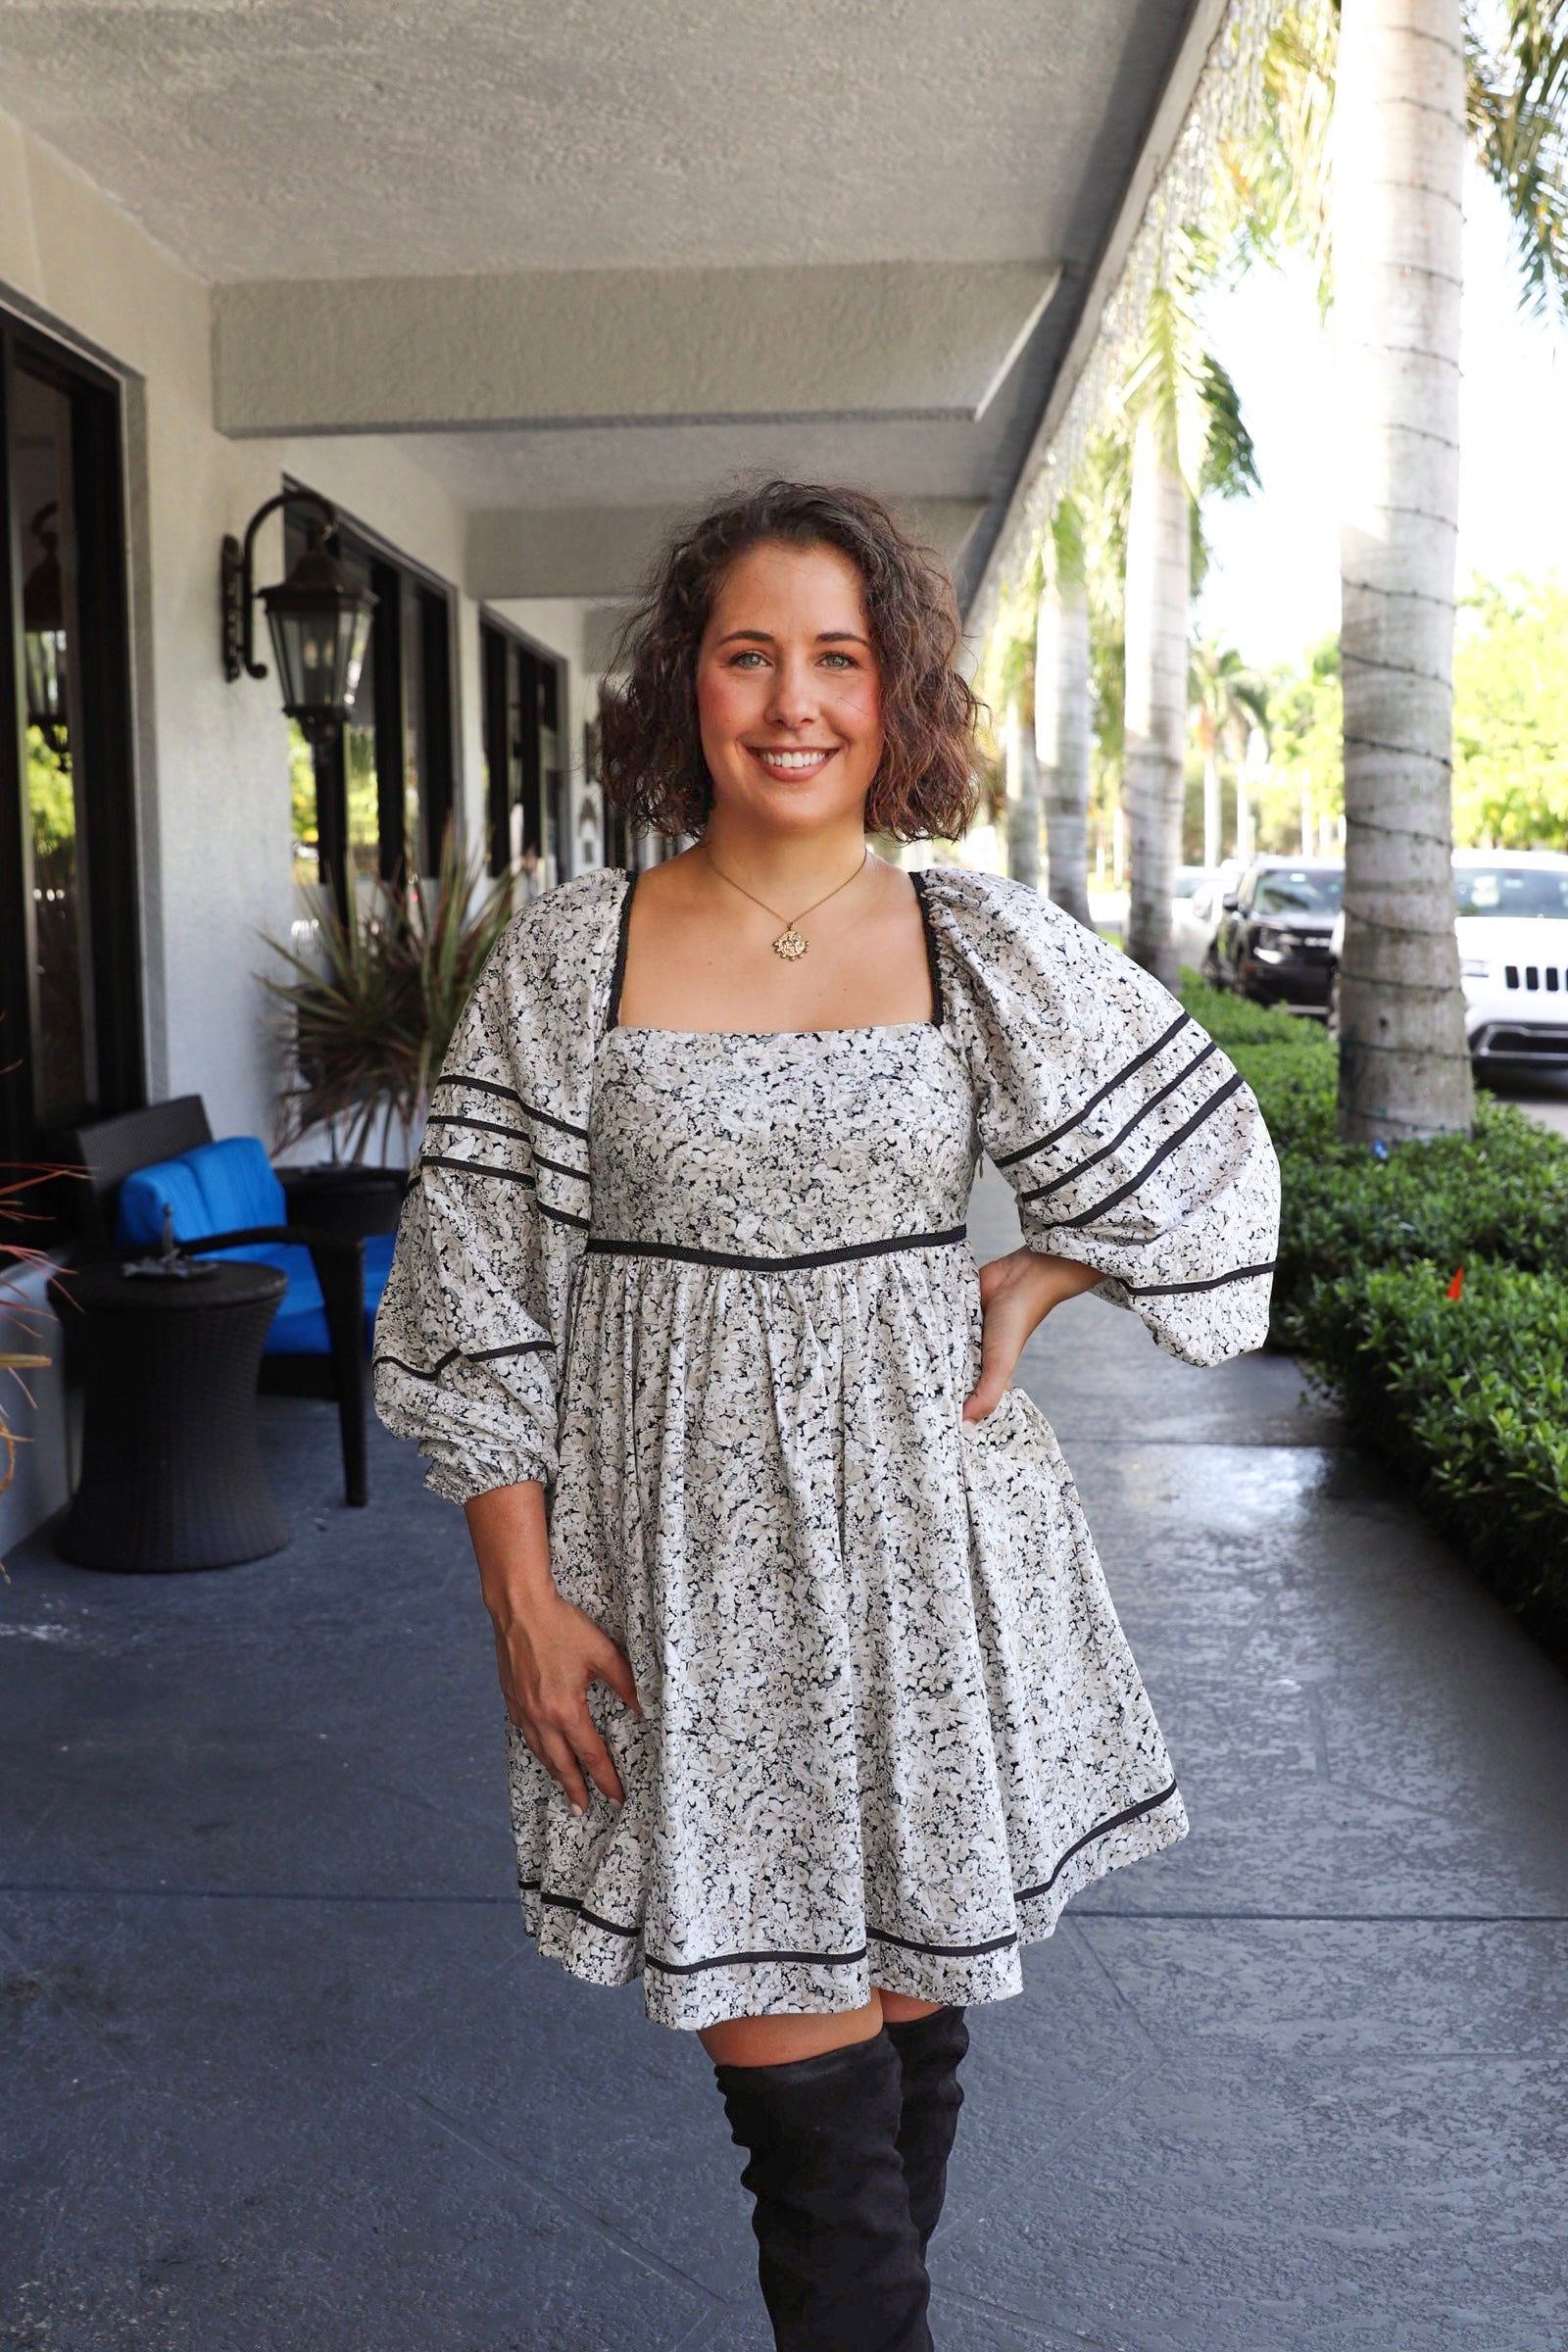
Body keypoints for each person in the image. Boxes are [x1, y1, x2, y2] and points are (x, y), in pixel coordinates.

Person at [372, 480, 1281, 2350]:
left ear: (899, 693)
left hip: (935, 1575)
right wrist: (519, 1598)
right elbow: (474, 1294)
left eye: (841, 659)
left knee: (901, 2068)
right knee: (819, 2146)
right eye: (750, 654)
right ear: (683, 686)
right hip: (688, 1587)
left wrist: (1037, 1273)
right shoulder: (573, 953)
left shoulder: (973, 943)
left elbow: (1209, 1162)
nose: (796, 702)